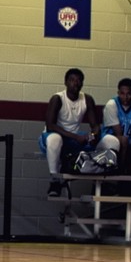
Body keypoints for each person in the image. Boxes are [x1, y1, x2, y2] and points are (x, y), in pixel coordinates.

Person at [40, 68, 99, 197]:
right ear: (66, 82)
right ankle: (54, 180)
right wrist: (76, 137)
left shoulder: (87, 99)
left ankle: (99, 184)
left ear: (82, 83)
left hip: (73, 139)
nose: (75, 83)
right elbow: (50, 126)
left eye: (78, 81)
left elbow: (95, 126)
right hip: (52, 136)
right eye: (72, 80)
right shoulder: (57, 98)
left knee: (105, 141)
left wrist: (93, 136)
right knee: (55, 139)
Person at [97, 78, 131, 176]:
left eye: (128, 94)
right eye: (122, 93)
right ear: (118, 93)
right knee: (123, 139)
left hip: (127, 140)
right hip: (110, 140)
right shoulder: (112, 104)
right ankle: (120, 173)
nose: (125, 97)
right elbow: (118, 133)